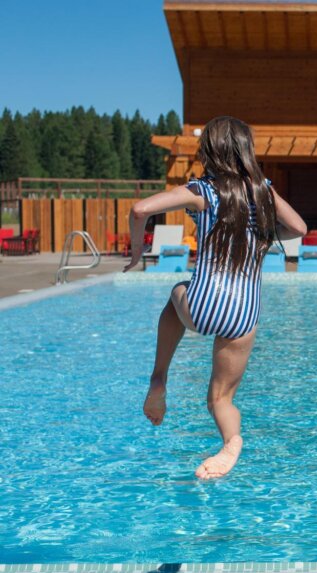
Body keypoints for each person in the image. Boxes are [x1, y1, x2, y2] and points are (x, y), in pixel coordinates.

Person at [124, 116, 307, 480]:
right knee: (220, 399)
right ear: (245, 151)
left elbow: (140, 209)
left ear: (209, 150)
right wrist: (266, 224)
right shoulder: (263, 191)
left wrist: (135, 255)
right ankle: (231, 443)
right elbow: (300, 229)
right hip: (243, 316)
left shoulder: (201, 190)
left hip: (202, 307)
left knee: (176, 293)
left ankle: (159, 380)